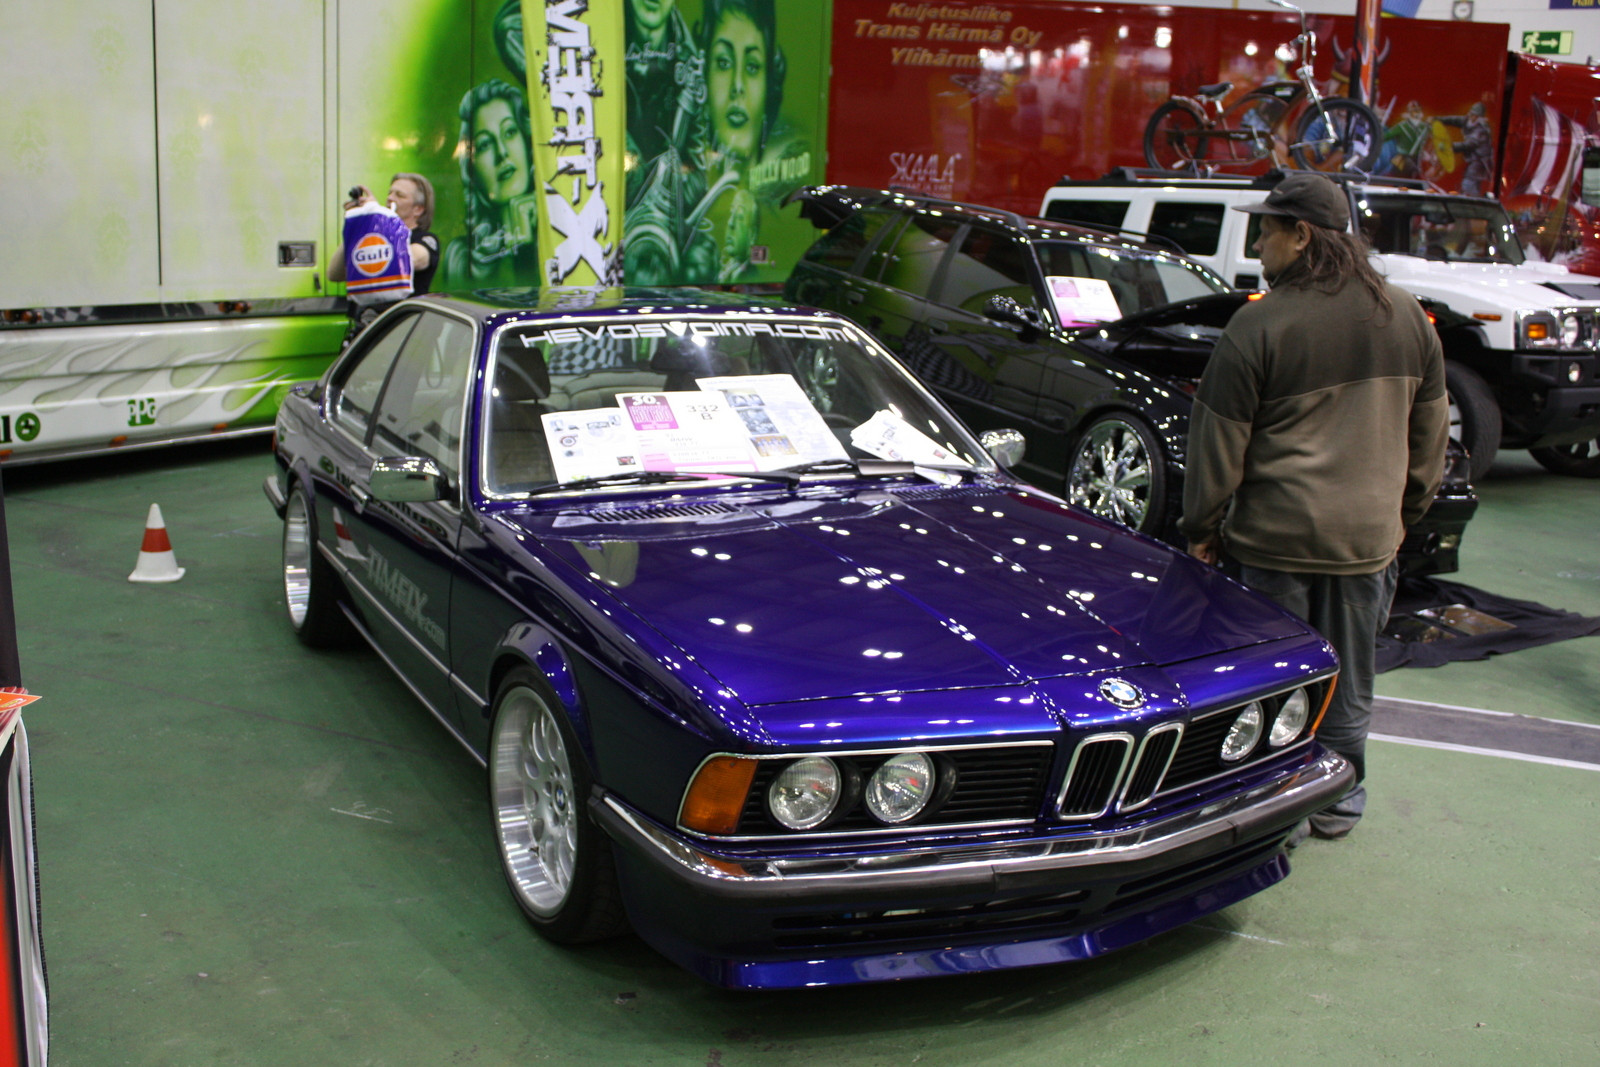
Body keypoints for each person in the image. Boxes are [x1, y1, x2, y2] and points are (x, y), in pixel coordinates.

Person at [1179, 171, 1448, 843]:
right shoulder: (1408, 316)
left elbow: (1218, 442)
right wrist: (1405, 511)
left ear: (1300, 237)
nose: (1259, 242)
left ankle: (1275, 809)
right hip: (1366, 542)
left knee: (1276, 687)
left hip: (1274, 541)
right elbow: (1431, 436)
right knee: (1352, 677)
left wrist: (1202, 529)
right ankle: (1340, 799)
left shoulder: (1259, 323)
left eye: (1266, 229)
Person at [438, 78, 541, 288]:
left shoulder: (563, 226)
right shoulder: (462, 259)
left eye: (510, 132)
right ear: (471, 170)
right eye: (485, 144)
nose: (502, 153)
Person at [330, 173, 440, 294]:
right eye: (390, 193)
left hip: (400, 312)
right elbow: (334, 274)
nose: (390, 198)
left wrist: (375, 214)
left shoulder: (426, 240)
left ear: (418, 209)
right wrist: (357, 226)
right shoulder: (373, 236)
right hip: (363, 312)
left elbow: (403, 261)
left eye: (400, 195)